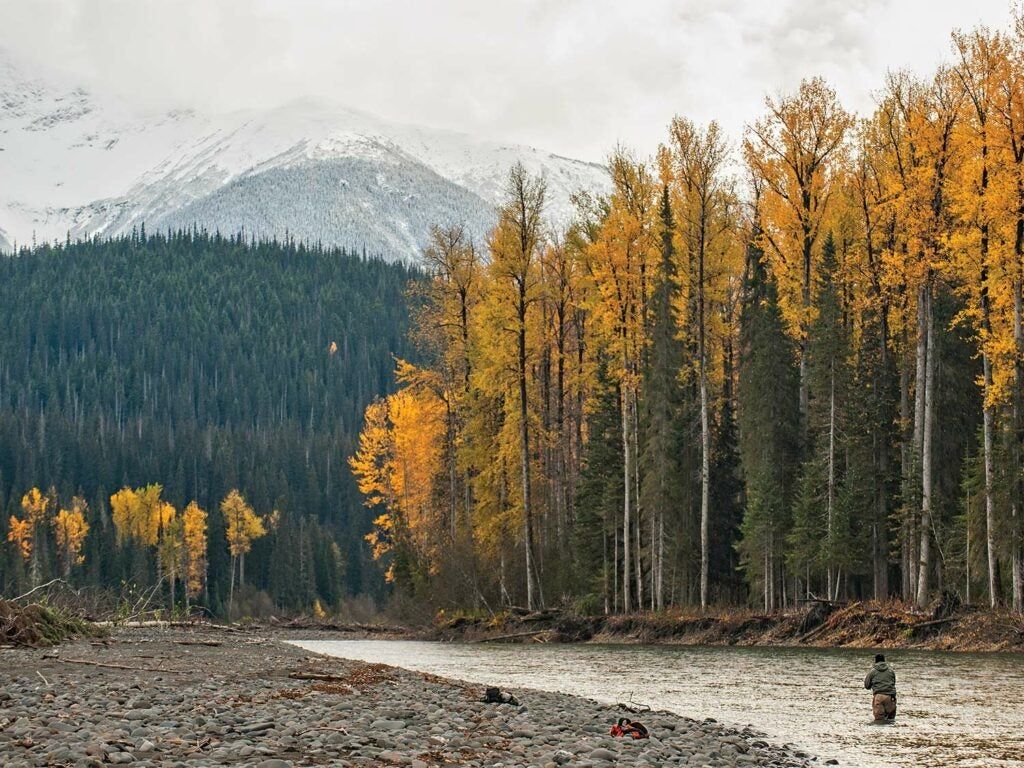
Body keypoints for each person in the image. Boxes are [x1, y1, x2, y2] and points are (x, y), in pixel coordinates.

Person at [864, 653, 897, 721]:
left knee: (879, 721)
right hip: (890, 697)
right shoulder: (891, 671)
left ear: (875, 661)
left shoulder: (872, 672)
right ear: (884, 661)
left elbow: (867, 686)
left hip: (878, 696)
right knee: (891, 720)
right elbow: (893, 683)